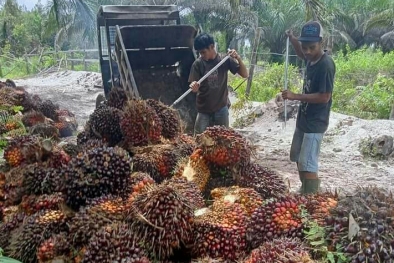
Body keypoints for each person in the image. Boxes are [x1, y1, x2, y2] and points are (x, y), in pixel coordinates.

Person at [282, 21, 336, 194]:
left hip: (315, 122)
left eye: (311, 47)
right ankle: (305, 189)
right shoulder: (310, 57)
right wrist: (292, 39)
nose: (307, 51)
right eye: (305, 47)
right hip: (304, 119)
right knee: (298, 157)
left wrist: (295, 96)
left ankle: (311, 198)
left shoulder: (325, 65)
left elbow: (324, 97)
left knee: (308, 162)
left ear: (321, 42)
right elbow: (300, 53)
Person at [188, 33, 248, 135]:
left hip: (221, 109)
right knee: (198, 140)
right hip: (203, 110)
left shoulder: (224, 60)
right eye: (199, 53)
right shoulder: (198, 64)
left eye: (203, 52)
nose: (201, 55)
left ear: (212, 46)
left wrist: (238, 58)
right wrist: (194, 87)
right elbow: (194, 88)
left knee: (224, 140)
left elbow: (245, 74)